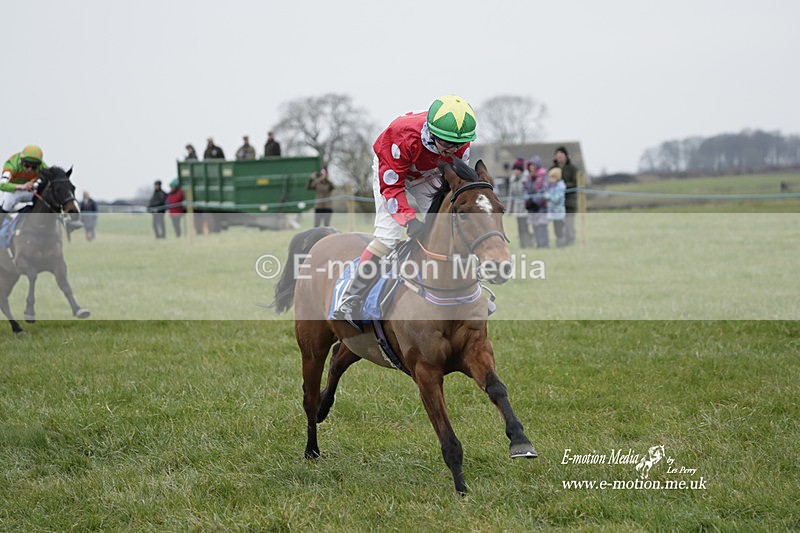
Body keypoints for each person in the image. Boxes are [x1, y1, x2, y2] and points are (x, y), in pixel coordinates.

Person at [332, 94, 476, 328]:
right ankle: (351, 296)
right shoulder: (402, 136)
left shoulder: (461, 143)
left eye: (458, 145)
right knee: (388, 237)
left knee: (448, 226)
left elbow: (455, 181)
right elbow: (392, 187)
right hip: (393, 170)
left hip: (427, 174)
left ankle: (464, 290)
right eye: (447, 144)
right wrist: (409, 220)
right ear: (432, 133)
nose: (453, 150)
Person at [0, 145, 48, 226]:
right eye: (27, 165)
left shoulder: (43, 167)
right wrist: (22, 186)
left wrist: (35, 185)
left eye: (34, 167)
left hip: (31, 192)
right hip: (13, 191)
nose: (30, 169)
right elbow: (2, 185)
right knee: (8, 201)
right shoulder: (12, 164)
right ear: (21, 161)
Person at [552, 146, 578, 245]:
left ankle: (570, 243)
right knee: (558, 226)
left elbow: (575, 183)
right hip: (557, 204)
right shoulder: (552, 169)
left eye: (561, 156)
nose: (559, 158)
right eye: (557, 156)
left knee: (569, 225)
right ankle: (560, 244)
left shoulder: (572, 169)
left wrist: (562, 186)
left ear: (566, 156)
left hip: (569, 203)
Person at [507, 158, 532, 248]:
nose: (515, 171)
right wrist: (509, 210)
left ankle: (529, 243)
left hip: (526, 207)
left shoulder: (526, 178)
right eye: (514, 169)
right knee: (520, 227)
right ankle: (523, 245)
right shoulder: (513, 179)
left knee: (525, 226)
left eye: (517, 169)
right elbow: (511, 196)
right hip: (517, 208)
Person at [526, 157, 549, 248]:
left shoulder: (543, 175)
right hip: (532, 206)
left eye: (533, 165)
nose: (532, 167)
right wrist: (528, 200)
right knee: (535, 225)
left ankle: (544, 244)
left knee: (542, 225)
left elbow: (544, 189)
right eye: (530, 165)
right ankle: (539, 244)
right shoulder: (529, 177)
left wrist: (536, 201)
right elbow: (526, 189)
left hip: (541, 206)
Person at [544, 167, 567, 248]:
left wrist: (548, 196)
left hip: (559, 213)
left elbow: (556, 199)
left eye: (552, 177)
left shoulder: (560, 187)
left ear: (556, 178)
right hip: (554, 213)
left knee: (559, 231)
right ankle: (559, 245)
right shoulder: (553, 186)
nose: (550, 179)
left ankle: (561, 246)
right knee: (556, 230)